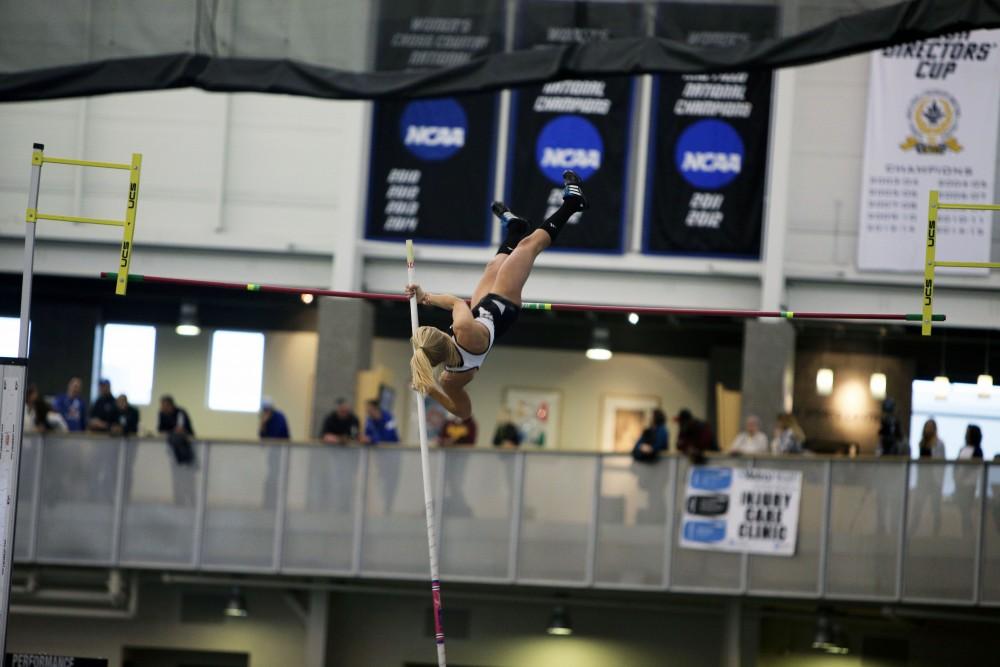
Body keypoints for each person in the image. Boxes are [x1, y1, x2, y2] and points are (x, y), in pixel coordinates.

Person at [406, 170, 588, 418]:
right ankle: (573, 204)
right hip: (504, 305)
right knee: (529, 246)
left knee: (494, 266)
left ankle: (515, 227)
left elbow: (463, 411)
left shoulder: (450, 379)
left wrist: (433, 389)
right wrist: (425, 297)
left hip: (482, 311)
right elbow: (455, 302)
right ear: (441, 336)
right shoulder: (461, 328)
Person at [909, 418, 945, 537]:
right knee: (917, 507)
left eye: (930, 427)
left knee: (935, 508)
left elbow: (941, 463)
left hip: (934, 480)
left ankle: (936, 533)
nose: (928, 429)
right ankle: (911, 532)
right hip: (922, 480)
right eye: (926, 427)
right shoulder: (922, 443)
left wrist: (940, 481)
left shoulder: (939, 444)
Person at [955, 424, 984, 540]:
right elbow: (957, 465)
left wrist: (962, 477)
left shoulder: (977, 451)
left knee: (966, 511)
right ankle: (965, 535)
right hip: (960, 484)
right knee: (963, 511)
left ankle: (969, 536)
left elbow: (973, 467)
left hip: (969, 485)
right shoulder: (963, 449)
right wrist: (957, 477)